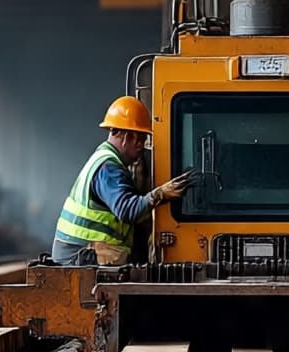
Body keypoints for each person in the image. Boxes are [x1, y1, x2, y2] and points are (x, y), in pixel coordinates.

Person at [52, 96, 193, 266]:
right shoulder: (109, 169)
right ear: (124, 135)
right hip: (80, 257)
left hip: (75, 254)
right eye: (139, 138)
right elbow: (127, 210)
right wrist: (160, 194)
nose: (141, 145)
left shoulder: (104, 159)